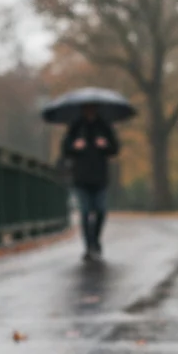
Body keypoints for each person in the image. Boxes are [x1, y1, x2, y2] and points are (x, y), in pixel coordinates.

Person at [62, 105, 121, 261]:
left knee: (101, 211)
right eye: (86, 108)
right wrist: (74, 146)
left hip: (100, 177)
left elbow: (115, 149)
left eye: (92, 108)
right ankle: (89, 247)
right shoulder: (75, 126)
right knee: (85, 212)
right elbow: (65, 149)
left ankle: (95, 240)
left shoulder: (104, 126)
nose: (89, 111)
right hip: (80, 177)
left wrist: (105, 145)